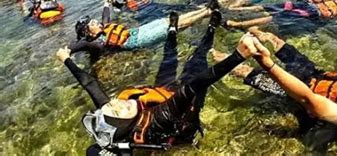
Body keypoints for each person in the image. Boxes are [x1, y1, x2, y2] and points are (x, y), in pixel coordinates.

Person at [55, 12, 258, 155]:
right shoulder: (160, 119)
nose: (115, 102)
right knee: (197, 59)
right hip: (183, 103)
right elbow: (194, 85)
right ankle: (211, 28)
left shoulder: (111, 114)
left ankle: (172, 28)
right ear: (128, 124)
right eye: (118, 111)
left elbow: (89, 83)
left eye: (110, 105)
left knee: (168, 57)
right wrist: (238, 55)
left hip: (160, 93)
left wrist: (66, 59)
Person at [213, 4, 337, 150]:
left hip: (299, 93)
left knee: (246, 72)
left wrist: (266, 62)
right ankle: (239, 28)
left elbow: (309, 99)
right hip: (316, 75)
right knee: (276, 40)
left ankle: (214, 55)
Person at [69, 0, 220, 57]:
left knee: (169, 20)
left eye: (94, 21)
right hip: (138, 40)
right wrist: (66, 52)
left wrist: (106, 4)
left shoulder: (103, 27)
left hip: (137, 31)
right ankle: (208, 11)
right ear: (88, 32)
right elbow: (78, 45)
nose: (97, 22)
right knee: (176, 26)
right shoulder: (93, 43)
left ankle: (206, 10)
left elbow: (105, 16)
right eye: (92, 24)